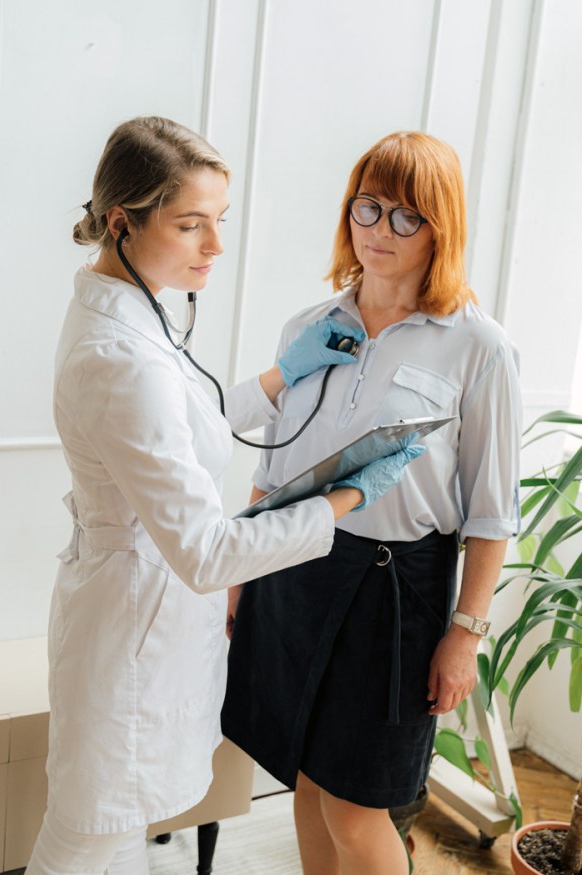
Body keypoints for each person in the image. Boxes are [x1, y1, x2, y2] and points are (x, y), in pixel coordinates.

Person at [24, 116, 423, 875]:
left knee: (112, 832)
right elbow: (207, 552)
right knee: (85, 837)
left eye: (221, 222)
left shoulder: (134, 311)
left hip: (137, 611)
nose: (215, 246)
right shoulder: (119, 354)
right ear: (122, 221)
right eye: (191, 224)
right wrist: (346, 496)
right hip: (131, 627)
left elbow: (181, 426)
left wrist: (283, 377)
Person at [222, 131, 522, 875]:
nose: (379, 231)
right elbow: (277, 469)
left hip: (394, 593)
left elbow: (492, 514)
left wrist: (466, 633)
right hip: (291, 566)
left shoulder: (479, 346)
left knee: (359, 808)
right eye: (368, 207)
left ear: (439, 227)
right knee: (306, 780)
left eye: (405, 217)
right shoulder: (310, 327)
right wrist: (241, 569)